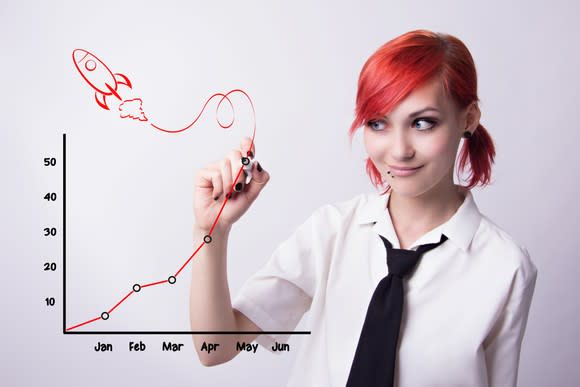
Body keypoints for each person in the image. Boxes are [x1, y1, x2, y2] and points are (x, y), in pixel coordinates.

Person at [190, 29, 538, 387]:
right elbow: (215, 348)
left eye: (422, 123)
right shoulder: (332, 231)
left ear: (468, 118)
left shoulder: (505, 267)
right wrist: (212, 232)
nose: (399, 149)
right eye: (378, 123)